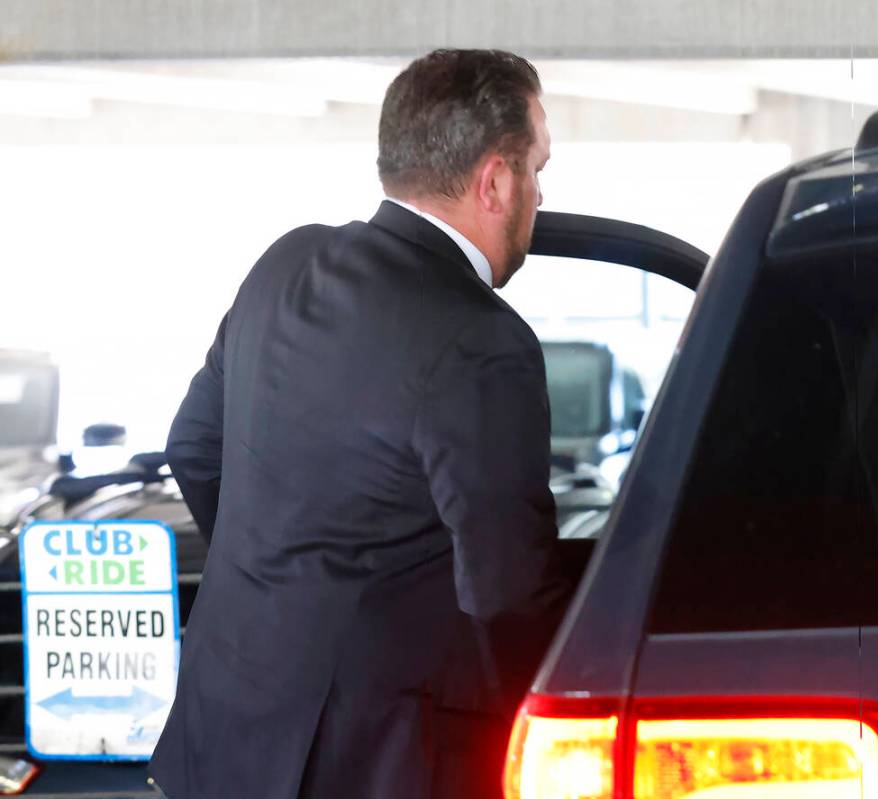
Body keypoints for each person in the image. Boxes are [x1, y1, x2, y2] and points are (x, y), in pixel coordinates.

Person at [149, 49, 568, 799]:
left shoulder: (286, 262)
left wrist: (279, 586)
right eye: (539, 168)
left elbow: (194, 446)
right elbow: (507, 589)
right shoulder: (481, 339)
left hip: (221, 731)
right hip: (377, 762)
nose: (541, 192)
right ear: (496, 180)